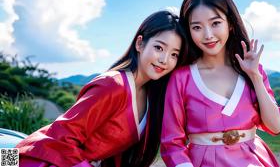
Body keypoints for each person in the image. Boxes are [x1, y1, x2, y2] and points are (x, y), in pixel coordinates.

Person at [16, 10, 187, 167]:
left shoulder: (151, 96)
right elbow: (62, 136)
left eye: (174, 54)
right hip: (38, 159)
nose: (165, 59)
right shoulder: (112, 85)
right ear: (140, 44)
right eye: (159, 47)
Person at [160, 0, 280, 167]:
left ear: (230, 23)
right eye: (197, 27)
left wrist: (255, 76)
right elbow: (172, 144)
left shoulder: (252, 70)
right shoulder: (181, 78)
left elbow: (275, 127)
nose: (208, 35)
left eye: (215, 23)